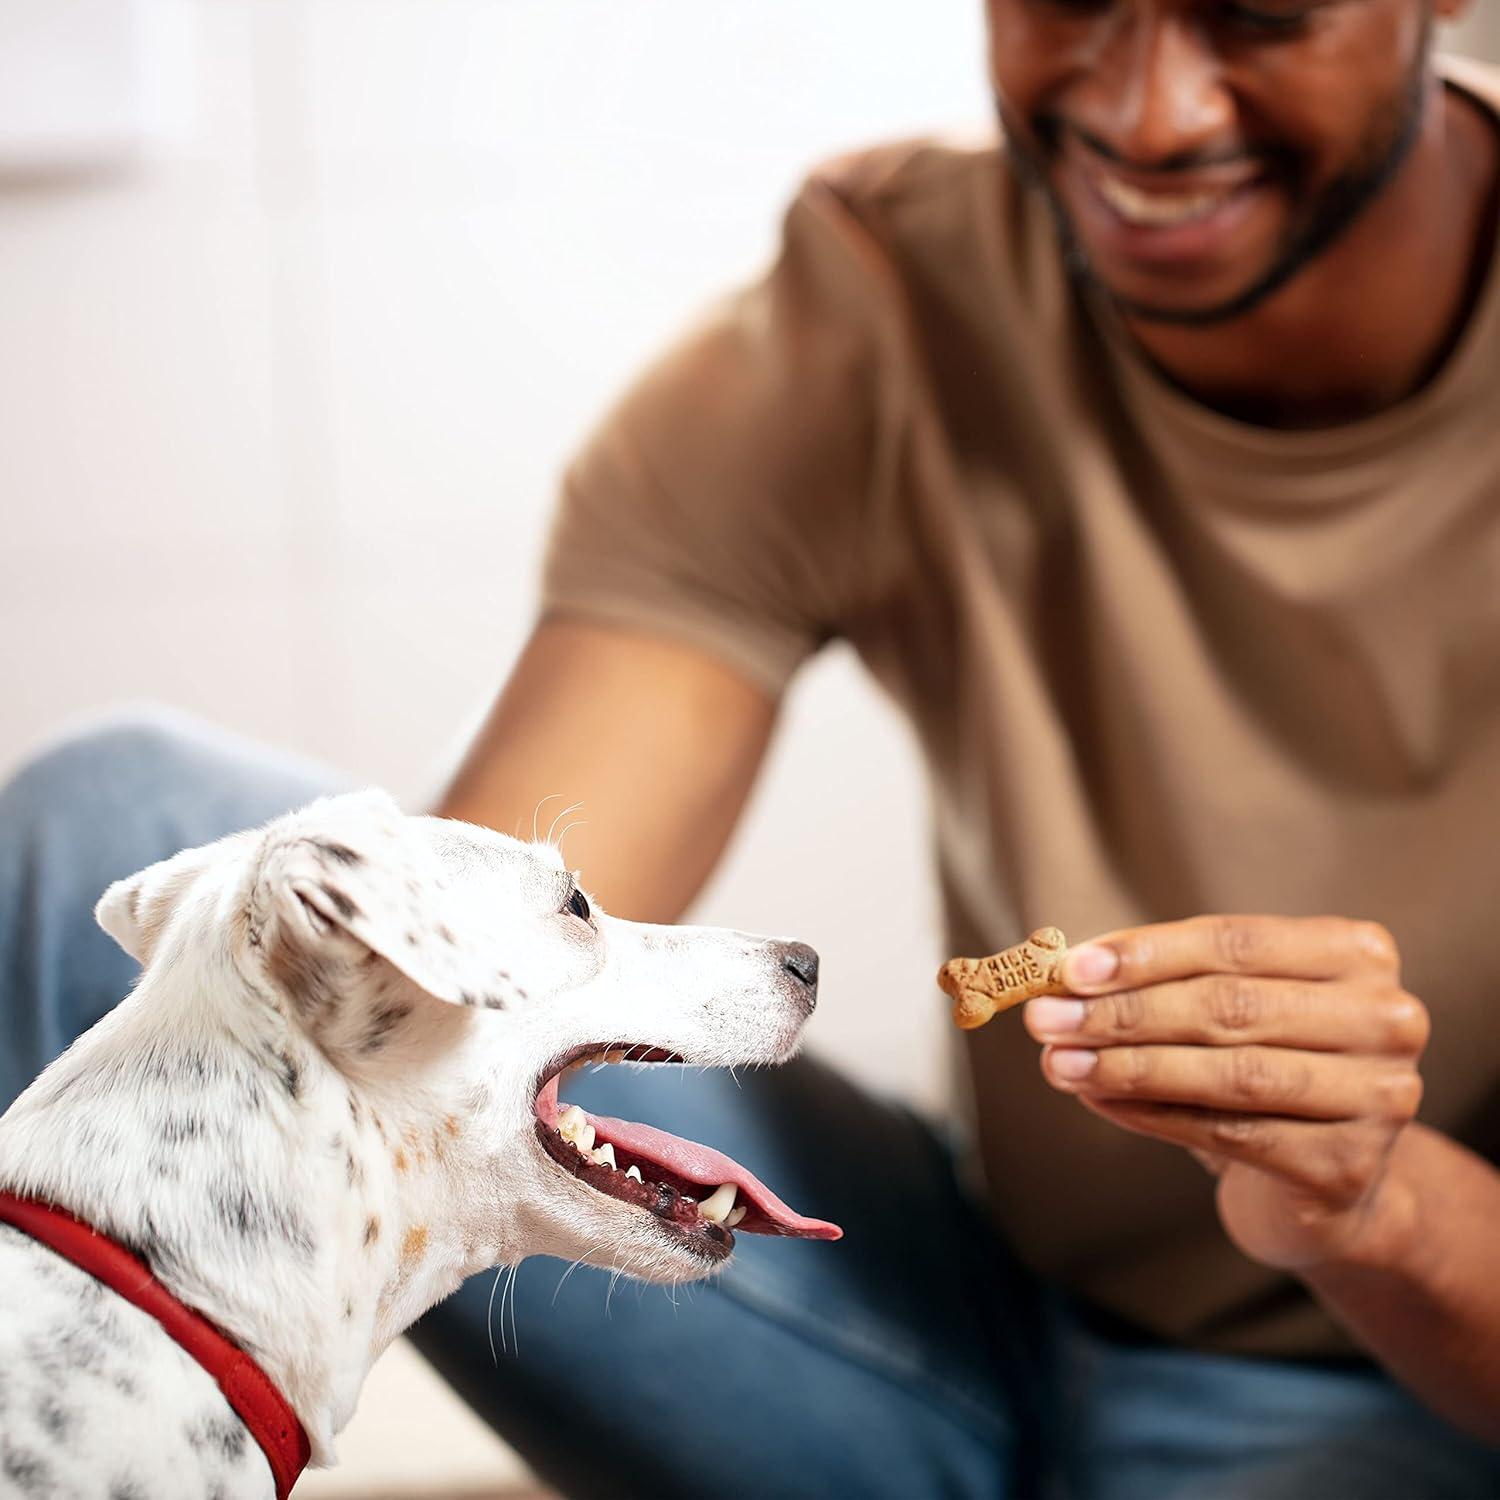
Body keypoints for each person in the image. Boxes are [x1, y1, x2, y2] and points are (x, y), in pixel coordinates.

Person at [4, 0, 1500, 1494]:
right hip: (969, 1334)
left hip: (1429, 1381)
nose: (1152, 112)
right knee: (106, 819)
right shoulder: (887, 300)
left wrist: (1377, 1206)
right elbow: (472, 1004)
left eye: (1260, 15)